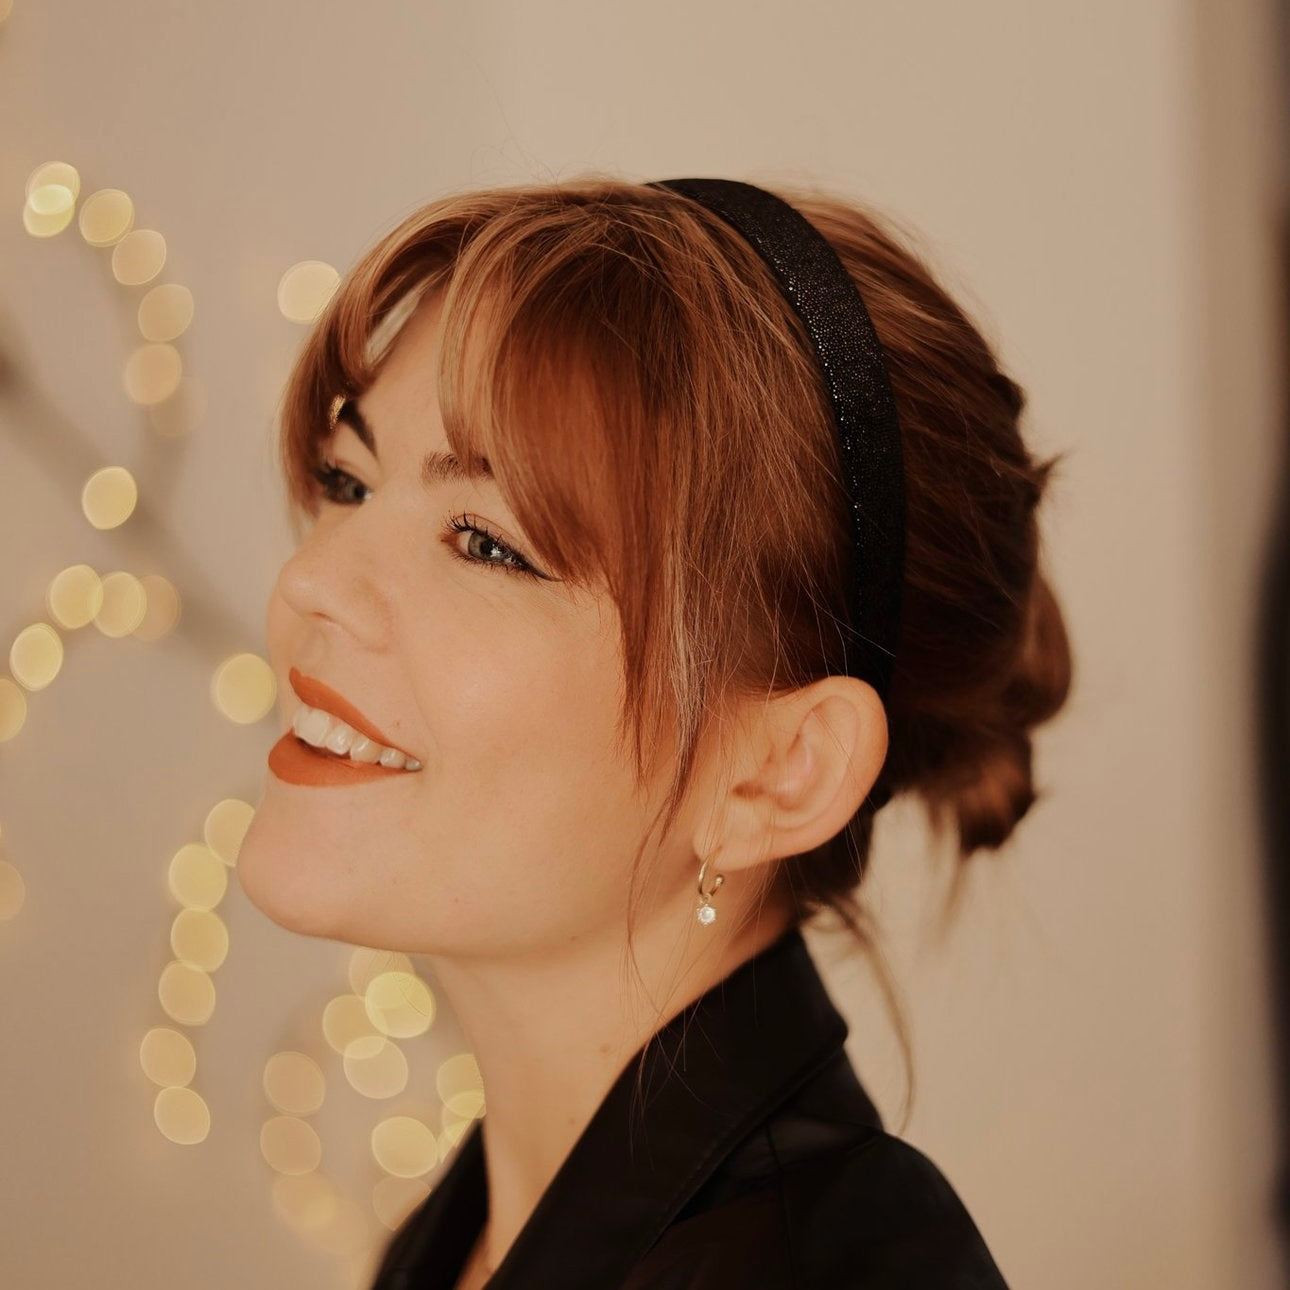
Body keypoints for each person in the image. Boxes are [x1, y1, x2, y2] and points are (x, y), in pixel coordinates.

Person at [236, 174, 1072, 1289]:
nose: (312, 582)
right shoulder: (453, 1240)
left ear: (777, 774)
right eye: (348, 481)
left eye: (486, 543)